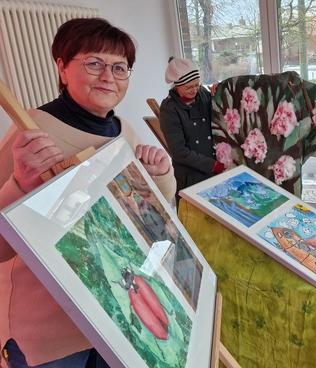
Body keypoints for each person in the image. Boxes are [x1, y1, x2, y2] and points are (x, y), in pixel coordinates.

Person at [0, 18, 176, 367]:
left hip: (114, 312)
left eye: (119, 67)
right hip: (50, 328)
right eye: (94, 63)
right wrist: (20, 184)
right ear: (62, 68)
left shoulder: (122, 128)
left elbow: (152, 209)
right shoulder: (31, 133)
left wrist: (162, 174)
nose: (108, 76)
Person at [159, 57, 225, 202]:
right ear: (177, 86)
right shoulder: (169, 109)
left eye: (197, 84)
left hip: (214, 171)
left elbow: (218, 112)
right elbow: (179, 152)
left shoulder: (203, 95)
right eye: (189, 87)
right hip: (191, 176)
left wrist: (219, 91)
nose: (194, 90)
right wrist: (212, 165)